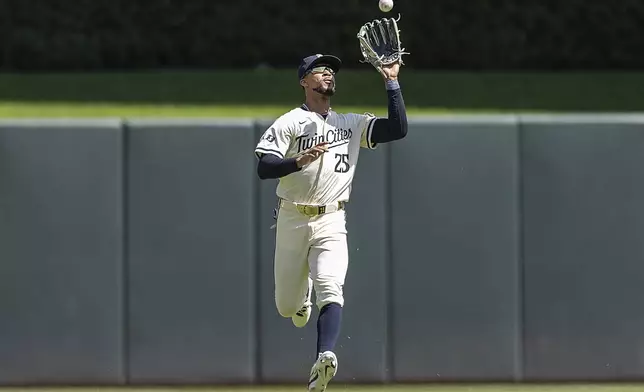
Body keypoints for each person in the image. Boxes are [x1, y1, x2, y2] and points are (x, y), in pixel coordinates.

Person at [254, 53, 408, 391]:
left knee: (332, 287)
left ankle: (323, 357)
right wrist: (296, 161)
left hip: (332, 218)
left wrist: (391, 82)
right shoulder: (290, 121)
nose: (328, 75)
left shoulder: (350, 123)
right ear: (304, 82)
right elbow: (265, 167)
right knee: (287, 307)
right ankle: (302, 296)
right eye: (320, 71)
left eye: (331, 71)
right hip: (293, 217)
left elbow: (398, 129)